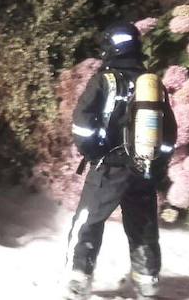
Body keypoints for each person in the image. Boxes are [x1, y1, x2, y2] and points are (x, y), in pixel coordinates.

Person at [63, 22, 177, 300]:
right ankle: (147, 281)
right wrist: (156, 165)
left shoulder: (105, 79)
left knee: (89, 221)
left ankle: (79, 279)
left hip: (109, 167)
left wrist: (94, 153)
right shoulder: (151, 83)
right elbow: (170, 132)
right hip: (144, 168)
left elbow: (82, 125)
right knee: (143, 225)